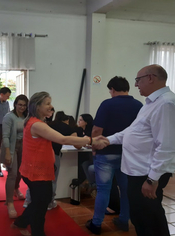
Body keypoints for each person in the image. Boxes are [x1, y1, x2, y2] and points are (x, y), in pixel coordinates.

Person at [103, 65, 175, 236]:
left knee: (150, 220)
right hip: (138, 171)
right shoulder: (151, 103)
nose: (135, 85)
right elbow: (132, 131)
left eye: (138, 80)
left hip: (146, 173)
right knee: (140, 217)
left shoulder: (167, 103)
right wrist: (107, 140)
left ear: (150, 78)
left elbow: (166, 145)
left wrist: (152, 179)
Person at [12, 91, 109, 236]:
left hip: (37, 169)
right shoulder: (37, 124)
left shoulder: (36, 122)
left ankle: (22, 222)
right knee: (41, 203)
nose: (51, 107)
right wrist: (91, 140)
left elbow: (47, 144)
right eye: (47, 104)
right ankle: (37, 232)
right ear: (37, 106)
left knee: (40, 201)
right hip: (36, 172)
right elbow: (63, 139)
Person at [86, 76, 143, 235]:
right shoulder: (139, 105)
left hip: (106, 154)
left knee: (103, 189)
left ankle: (96, 224)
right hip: (128, 155)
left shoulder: (107, 104)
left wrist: (94, 148)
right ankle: (124, 220)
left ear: (112, 89)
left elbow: (97, 130)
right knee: (125, 190)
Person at [0, 94, 28, 219]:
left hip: (24, 147)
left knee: (20, 173)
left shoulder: (27, 117)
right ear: (15, 104)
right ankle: (9, 202)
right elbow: (5, 136)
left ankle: (16, 189)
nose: (22, 107)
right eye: (19, 104)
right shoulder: (9, 117)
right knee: (12, 173)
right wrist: (7, 153)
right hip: (11, 147)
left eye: (24, 105)